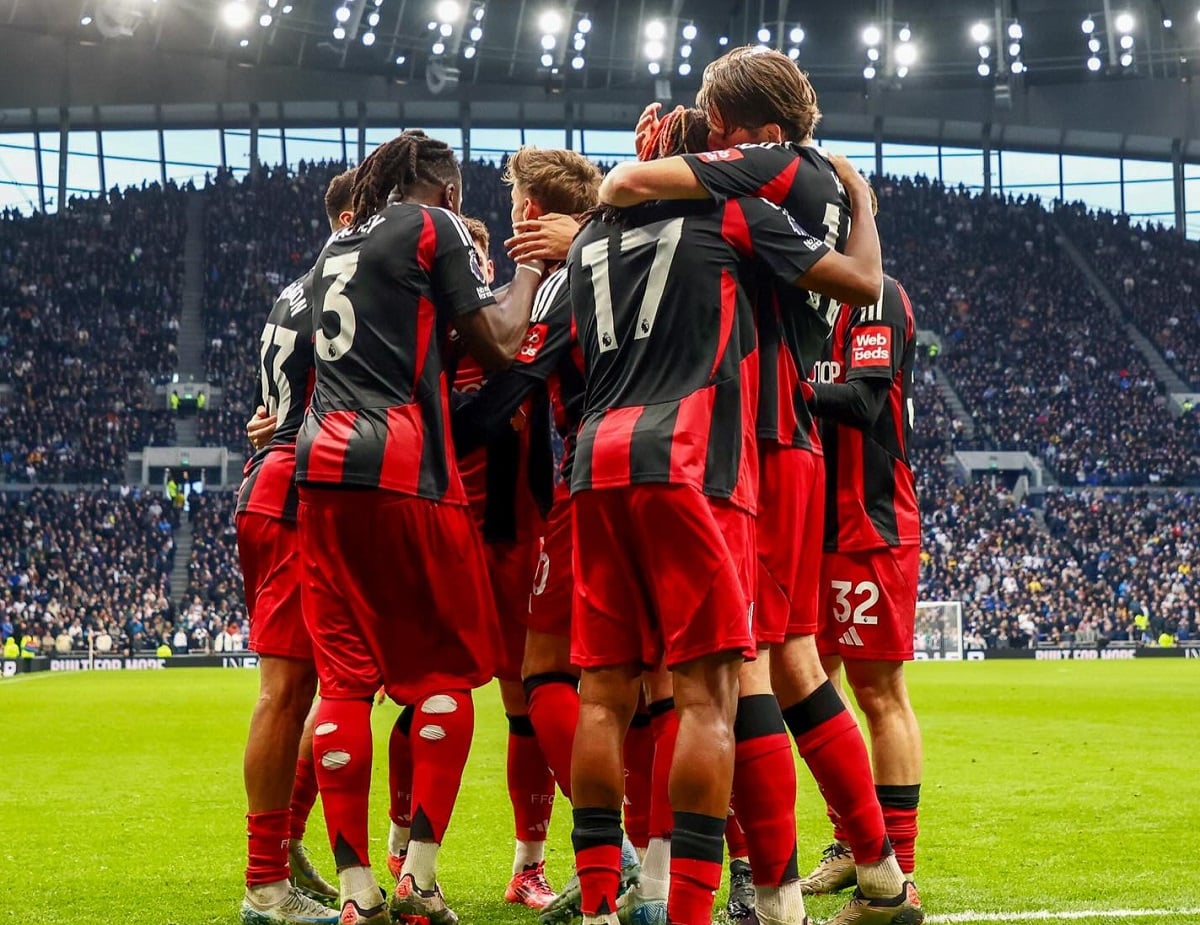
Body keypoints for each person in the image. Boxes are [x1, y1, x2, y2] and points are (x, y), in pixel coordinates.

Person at [598, 47, 919, 925]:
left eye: (727, 130)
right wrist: (861, 203)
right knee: (788, 663)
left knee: (747, 675)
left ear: (766, 133)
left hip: (758, 437)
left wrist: (651, 171)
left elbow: (625, 184)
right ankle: (877, 871)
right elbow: (859, 272)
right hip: (787, 441)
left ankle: (781, 891)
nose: (718, 144)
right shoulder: (817, 185)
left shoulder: (769, 172)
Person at [294, 129, 541, 925]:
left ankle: (356, 889)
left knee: (344, 685)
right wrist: (534, 267)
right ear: (440, 184)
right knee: (444, 679)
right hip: (402, 468)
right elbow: (501, 344)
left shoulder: (337, 244)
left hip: (317, 473)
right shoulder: (430, 225)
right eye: (458, 185)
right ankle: (421, 881)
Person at [236, 167, 356, 925]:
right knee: (287, 693)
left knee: (328, 685)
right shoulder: (340, 290)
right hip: (295, 493)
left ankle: (284, 851)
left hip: (275, 480)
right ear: (349, 216)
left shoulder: (293, 289)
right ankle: (264, 885)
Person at [810, 277, 925, 907]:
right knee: (803, 685)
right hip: (811, 525)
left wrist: (782, 392)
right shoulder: (801, 294)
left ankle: (896, 870)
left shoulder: (875, 293)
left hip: (867, 523)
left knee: (878, 691)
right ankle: (855, 843)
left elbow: (865, 399)